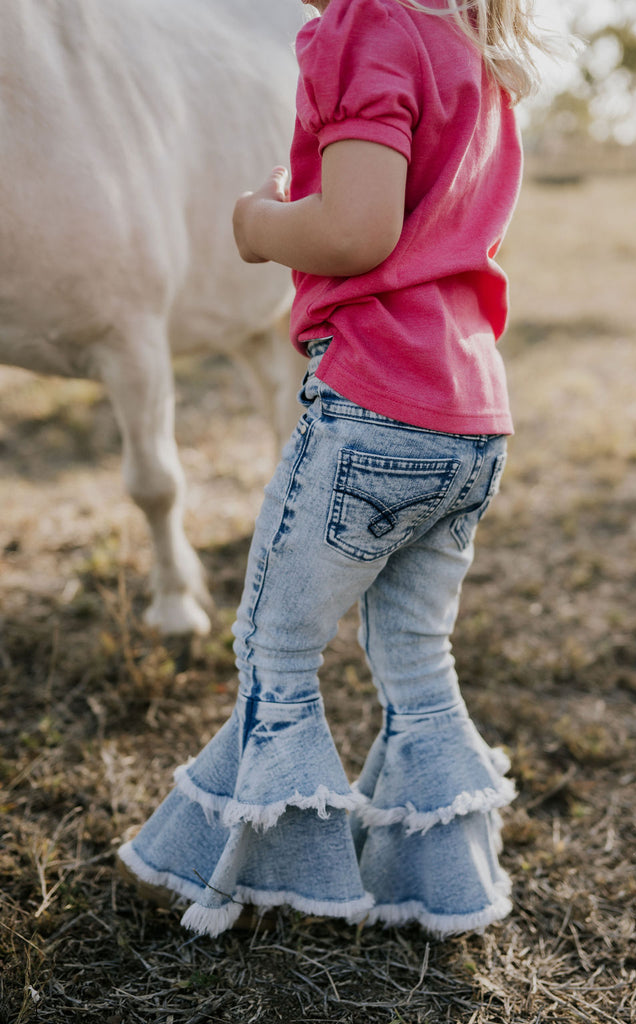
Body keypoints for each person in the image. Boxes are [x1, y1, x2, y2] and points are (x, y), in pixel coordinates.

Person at [118, 0, 553, 938]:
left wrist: (259, 222)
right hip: (470, 415)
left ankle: (277, 880)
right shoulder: (467, 49)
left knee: (275, 652)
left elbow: (358, 233)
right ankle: (442, 888)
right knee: (414, 658)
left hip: (374, 402)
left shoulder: (366, 25)